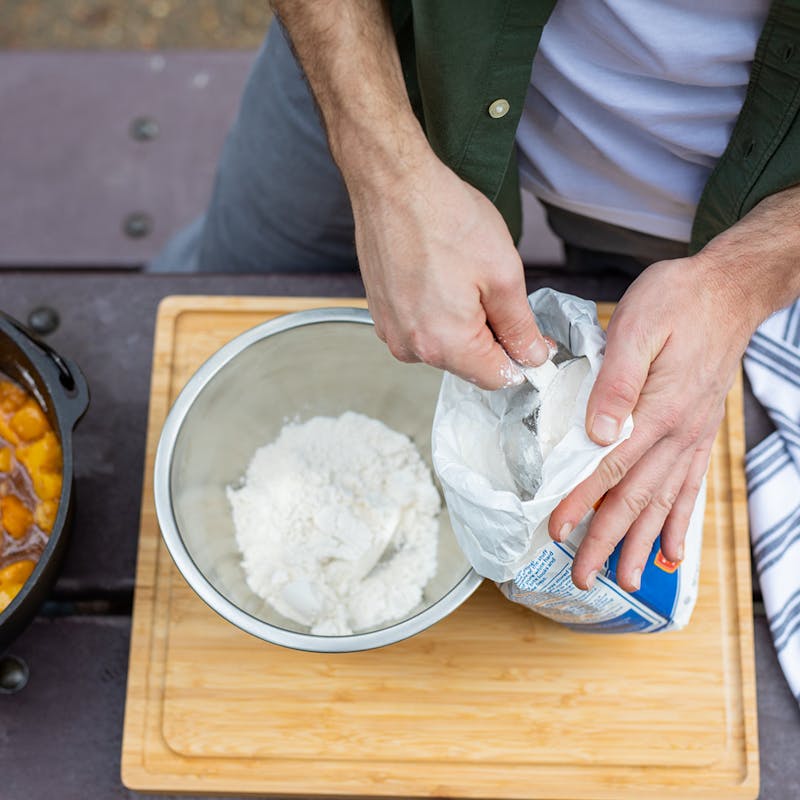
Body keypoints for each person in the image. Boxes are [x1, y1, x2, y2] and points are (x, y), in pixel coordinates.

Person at [157, 1, 800, 594]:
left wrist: (738, 282)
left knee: (620, 453)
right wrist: (381, 167)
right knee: (233, 285)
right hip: (381, 52)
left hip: (715, 191)